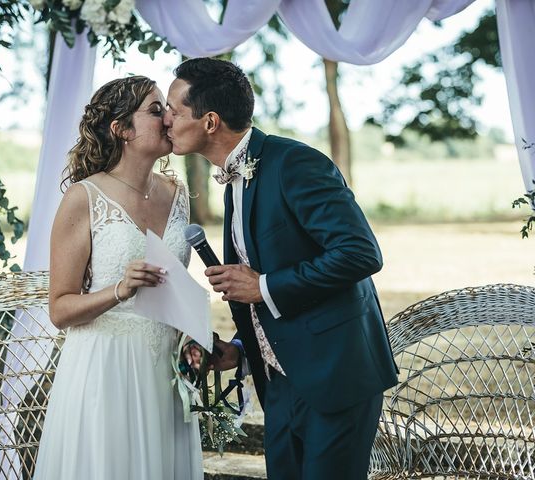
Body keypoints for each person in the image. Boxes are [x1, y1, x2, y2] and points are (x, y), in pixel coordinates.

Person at [164, 58, 398, 480]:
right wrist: (237, 348)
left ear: (211, 121)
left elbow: (360, 253)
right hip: (279, 382)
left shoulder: (295, 164)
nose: (166, 120)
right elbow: (264, 275)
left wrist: (264, 286)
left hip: (334, 376)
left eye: (174, 110)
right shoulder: (235, 179)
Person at [33, 76, 203, 480]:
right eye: (155, 109)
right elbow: (60, 309)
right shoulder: (84, 198)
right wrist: (119, 290)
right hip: (105, 370)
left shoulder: (177, 194)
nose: (168, 119)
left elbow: (173, 290)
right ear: (121, 129)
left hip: (164, 371)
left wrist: (191, 335)